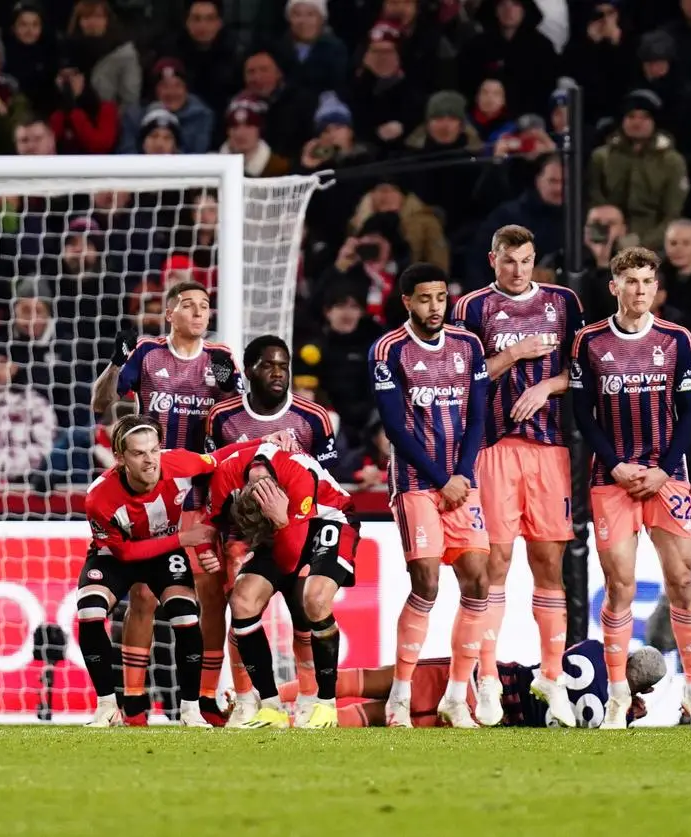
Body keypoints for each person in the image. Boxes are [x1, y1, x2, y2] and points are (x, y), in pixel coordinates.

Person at [570, 246, 691, 730]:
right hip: (611, 481)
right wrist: (613, 465)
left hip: (665, 476)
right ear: (614, 287)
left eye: (647, 282)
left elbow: (690, 414)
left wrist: (663, 469)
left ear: (657, 288)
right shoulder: (588, 342)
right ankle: (616, 697)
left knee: (682, 583)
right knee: (620, 587)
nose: (639, 291)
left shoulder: (678, 340)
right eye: (630, 281)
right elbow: (582, 414)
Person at [89, 280, 241, 724]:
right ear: (170, 313)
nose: (198, 312)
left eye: (205, 306)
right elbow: (102, 402)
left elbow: (235, 420)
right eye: (188, 305)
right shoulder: (147, 354)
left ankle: (205, 698)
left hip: (200, 492)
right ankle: (134, 703)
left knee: (206, 597)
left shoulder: (222, 360)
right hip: (148, 493)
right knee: (142, 595)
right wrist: (115, 365)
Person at [452, 225, 584, 727]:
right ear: (493, 260)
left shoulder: (563, 302)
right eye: (509, 261)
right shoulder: (470, 308)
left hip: (550, 449)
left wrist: (549, 384)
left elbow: (585, 368)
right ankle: (486, 679)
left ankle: (551, 678)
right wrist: (514, 354)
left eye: (526, 260)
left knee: (549, 563)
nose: (519, 270)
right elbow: (458, 374)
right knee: (496, 563)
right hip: (493, 448)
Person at [77, 416, 265, 727]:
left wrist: (266, 441)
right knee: (89, 612)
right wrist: (183, 539)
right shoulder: (99, 497)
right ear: (120, 458)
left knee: (186, 616)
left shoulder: (179, 464)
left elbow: (223, 457)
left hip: (163, 551)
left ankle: (190, 710)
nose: (150, 460)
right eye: (139, 453)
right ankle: (107, 707)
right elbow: (125, 553)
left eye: (154, 450)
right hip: (116, 555)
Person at [368, 263, 492, 728]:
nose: (434, 307)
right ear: (407, 302)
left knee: (478, 581)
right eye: (424, 299)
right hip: (418, 484)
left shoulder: (469, 346)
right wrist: (443, 479)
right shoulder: (388, 350)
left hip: (462, 482)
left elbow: (478, 418)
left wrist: (461, 474)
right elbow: (396, 429)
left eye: (440, 298)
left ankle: (457, 696)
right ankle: (400, 694)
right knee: (427, 583)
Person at [203, 334, 343, 725]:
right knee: (241, 610)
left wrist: (294, 523)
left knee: (304, 611)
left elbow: (328, 478)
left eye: (283, 365)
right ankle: (247, 700)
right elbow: (215, 474)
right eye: (268, 364)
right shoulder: (223, 417)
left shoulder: (313, 417)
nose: (277, 372)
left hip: (300, 523)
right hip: (242, 534)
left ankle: (308, 699)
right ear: (248, 371)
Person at [207, 440, 358, 730]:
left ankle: (325, 706)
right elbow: (210, 520)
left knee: (314, 600)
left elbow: (289, 562)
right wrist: (207, 551)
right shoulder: (227, 473)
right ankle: (271, 707)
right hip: (275, 527)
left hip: (329, 520)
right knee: (242, 600)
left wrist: (279, 519)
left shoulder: (298, 473)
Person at [299, 640, 666, 729]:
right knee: (371, 717)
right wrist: (630, 712)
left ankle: (282, 699)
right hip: (487, 717)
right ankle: (291, 725)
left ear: (628, 656)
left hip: (481, 680)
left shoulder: (594, 649)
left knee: (367, 680)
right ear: (646, 690)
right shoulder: (608, 719)